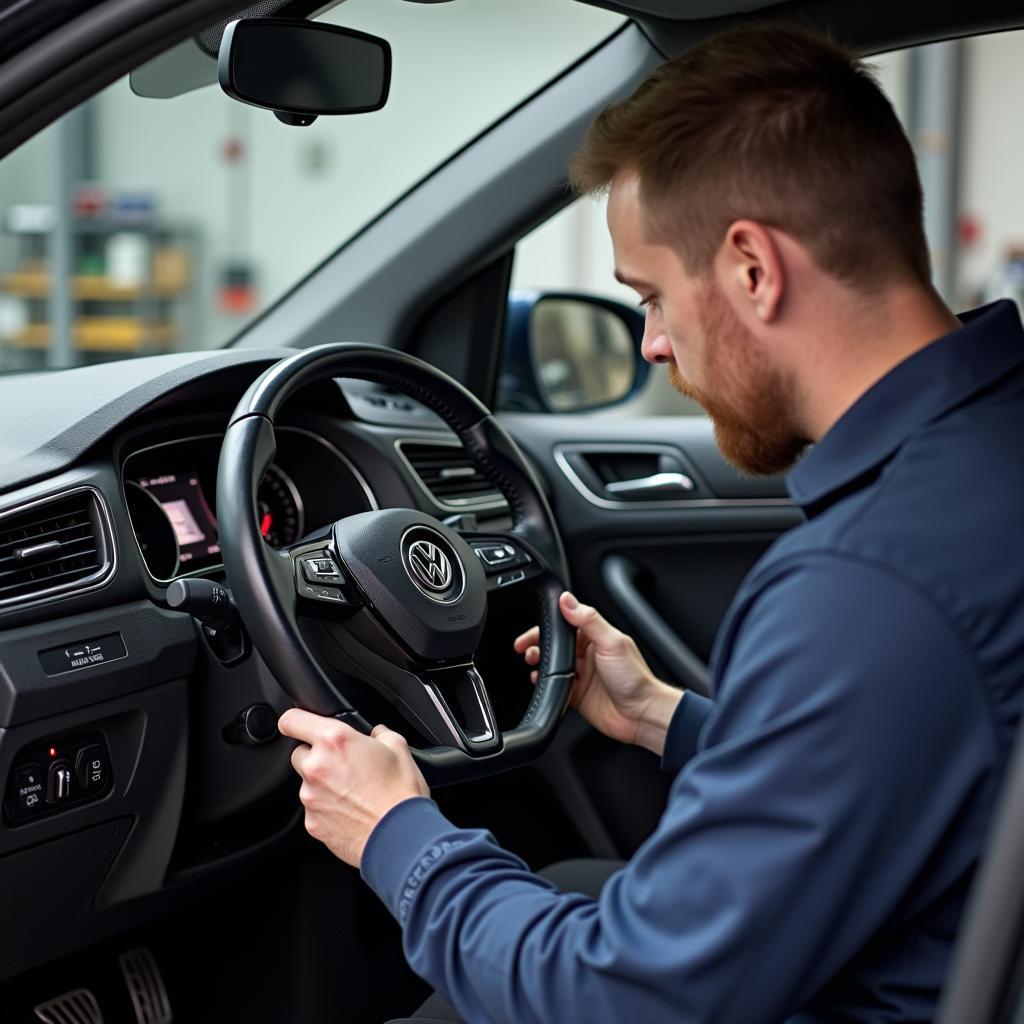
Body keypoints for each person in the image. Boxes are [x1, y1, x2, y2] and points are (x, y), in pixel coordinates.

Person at [277, 24, 1024, 1023]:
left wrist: (395, 831)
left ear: (753, 269)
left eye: (652, 296)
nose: (653, 344)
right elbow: (900, 768)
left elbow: (623, 996)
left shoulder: (870, 585)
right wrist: (661, 716)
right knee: (577, 882)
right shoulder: (985, 458)